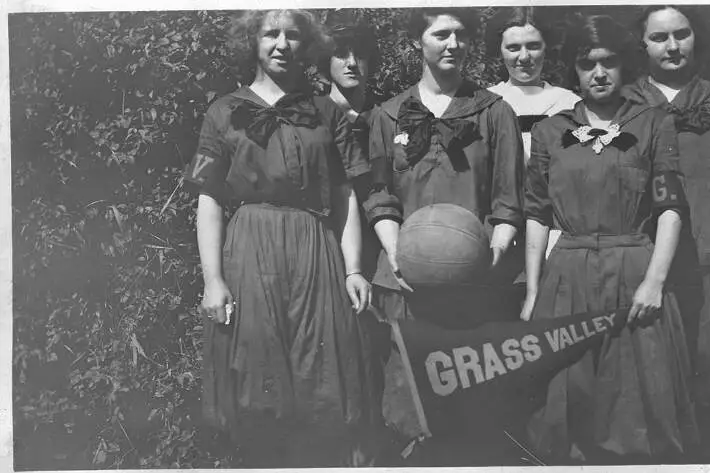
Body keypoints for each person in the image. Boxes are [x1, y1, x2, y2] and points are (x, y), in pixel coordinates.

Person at [185, 9, 372, 468]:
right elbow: (209, 199)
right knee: (257, 369)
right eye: (271, 34)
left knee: (321, 371)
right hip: (250, 246)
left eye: (292, 36)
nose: (282, 44)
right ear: (253, 41)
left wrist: (353, 269)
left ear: (306, 46)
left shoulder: (328, 111)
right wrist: (213, 280)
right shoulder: (224, 110)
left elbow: (347, 194)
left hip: (315, 246)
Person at [520, 14, 698, 464]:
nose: (598, 74)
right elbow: (538, 215)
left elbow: (670, 207)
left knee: (635, 405)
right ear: (573, 70)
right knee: (568, 405)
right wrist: (535, 292)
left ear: (624, 66)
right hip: (568, 275)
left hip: (634, 270)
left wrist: (655, 281)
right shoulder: (548, 131)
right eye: (586, 64)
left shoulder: (654, 122)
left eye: (609, 62)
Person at [362, 7, 525, 465]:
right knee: (408, 403)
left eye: (461, 35)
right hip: (404, 281)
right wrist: (397, 255)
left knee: (471, 403)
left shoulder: (496, 112)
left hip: (477, 282)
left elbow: (509, 199)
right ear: (418, 42)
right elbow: (380, 196)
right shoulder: (388, 115)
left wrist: (490, 255)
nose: (453, 44)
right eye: (440, 34)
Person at [625, 5, 710, 410]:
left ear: (695, 37)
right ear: (642, 44)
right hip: (645, 254)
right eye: (660, 37)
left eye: (681, 34)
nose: (672, 45)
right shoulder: (624, 102)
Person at [317, 9, 389, 464]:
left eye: (359, 54)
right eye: (339, 54)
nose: (350, 63)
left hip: (385, 242)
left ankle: (384, 446)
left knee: (381, 347)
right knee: (340, 349)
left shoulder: (390, 115)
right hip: (328, 243)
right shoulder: (309, 117)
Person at [485, 6, 582, 271]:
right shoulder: (485, 103)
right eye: (513, 47)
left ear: (546, 47)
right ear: (500, 50)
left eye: (533, 46)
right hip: (497, 233)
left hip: (554, 233)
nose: (524, 57)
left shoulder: (570, 104)